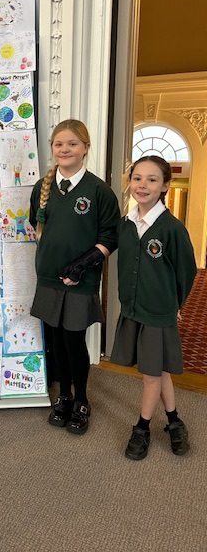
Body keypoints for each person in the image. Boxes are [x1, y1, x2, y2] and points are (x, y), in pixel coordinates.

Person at [29, 119, 120, 435]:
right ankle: (64, 397)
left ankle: (81, 399)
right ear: (52, 148)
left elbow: (111, 236)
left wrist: (82, 264)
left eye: (72, 143)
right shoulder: (41, 188)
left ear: (85, 148)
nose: (64, 149)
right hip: (49, 279)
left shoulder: (99, 191)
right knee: (55, 341)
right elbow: (36, 225)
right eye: (59, 144)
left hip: (80, 281)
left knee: (73, 341)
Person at [110, 155, 196, 460]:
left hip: (158, 313)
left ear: (165, 186)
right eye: (137, 178)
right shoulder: (126, 224)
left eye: (152, 179)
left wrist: (175, 304)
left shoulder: (172, 228)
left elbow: (186, 272)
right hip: (133, 309)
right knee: (158, 370)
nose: (142, 185)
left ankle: (142, 428)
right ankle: (174, 421)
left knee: (150, 376)